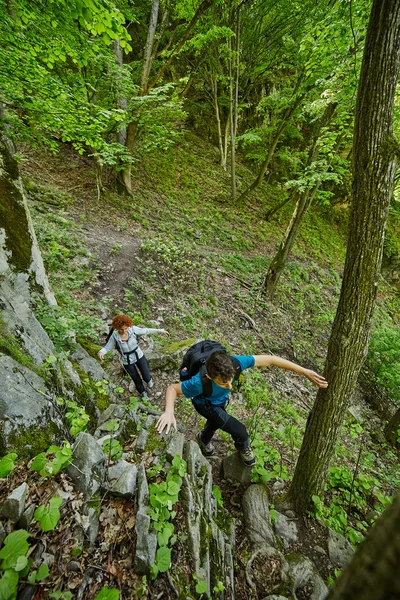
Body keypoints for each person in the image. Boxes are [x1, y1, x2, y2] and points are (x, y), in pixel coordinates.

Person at [156, 350, 328, 466]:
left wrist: (304, 371)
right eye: (224, 382)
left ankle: (203, 439)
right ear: (210, 376)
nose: (230, 386)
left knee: (216, 422)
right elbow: (172, 388)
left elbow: (272, 360)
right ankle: (243, 447)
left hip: (219, 402)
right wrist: (169, 412)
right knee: (239, 430)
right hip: (205, 404)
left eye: (231, 379)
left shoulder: (235, 364)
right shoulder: (199, 383)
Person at [98, 314, 169, 398]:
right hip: (127, 360)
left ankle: (149, 381)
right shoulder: (115, 335)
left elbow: (146, 330)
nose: (124, 331)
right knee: (136, 378)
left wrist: (161, 331)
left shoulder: (132, 329)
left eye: (126, 328)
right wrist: (101, 352)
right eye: (121, 329)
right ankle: (142, 392)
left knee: (146, 374)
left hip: (138, 354)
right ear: (117, 328)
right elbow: (108, 346)